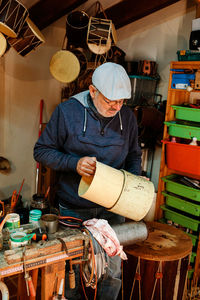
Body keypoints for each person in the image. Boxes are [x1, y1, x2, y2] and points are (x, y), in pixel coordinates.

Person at [34, 62, 142, 300]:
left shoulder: (127, 117)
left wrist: (134, 183)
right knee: (74, 270)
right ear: (92, 91)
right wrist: (74, 163)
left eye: (121, 101)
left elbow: (134, 154)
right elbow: (41, 151)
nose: (116, 106)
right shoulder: (67, 112)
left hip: (113, 208)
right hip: (74, 206)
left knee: (111, 270)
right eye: (109, 100)